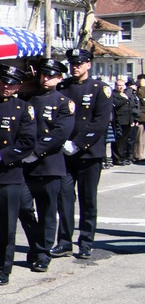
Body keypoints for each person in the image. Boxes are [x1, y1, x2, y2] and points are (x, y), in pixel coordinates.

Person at [54, 49, 114, 260]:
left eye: (79, 63)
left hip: (89, 153)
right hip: (64, 152)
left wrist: (78, 144)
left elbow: (100, 122)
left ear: (88, 64)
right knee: (64, 198)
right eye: (72, 63)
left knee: (88, 200)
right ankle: (64, 242)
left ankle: (86, 242)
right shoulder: (63, 87)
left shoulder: (100, 89)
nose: (75, 67)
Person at [0, 64, 36, 286]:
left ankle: (3, 267)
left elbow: (27, 143)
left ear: (18, 87)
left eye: (11, 84)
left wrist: (2, 155)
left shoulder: (23, 109)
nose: (6, 87)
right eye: (3, 82)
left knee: (7, 224)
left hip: (8, 173)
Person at [17, 58, 75, 273]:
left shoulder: (64, 102)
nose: (46, 79)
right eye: (44, 75)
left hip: (49, 165)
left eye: (51, 76)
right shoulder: (27, 99)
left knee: (47, 212)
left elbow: (60, 132)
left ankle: (43, 254)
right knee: (24, 208)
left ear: (59, 78)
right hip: (25, 165)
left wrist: (36, 151)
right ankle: (36, 245)